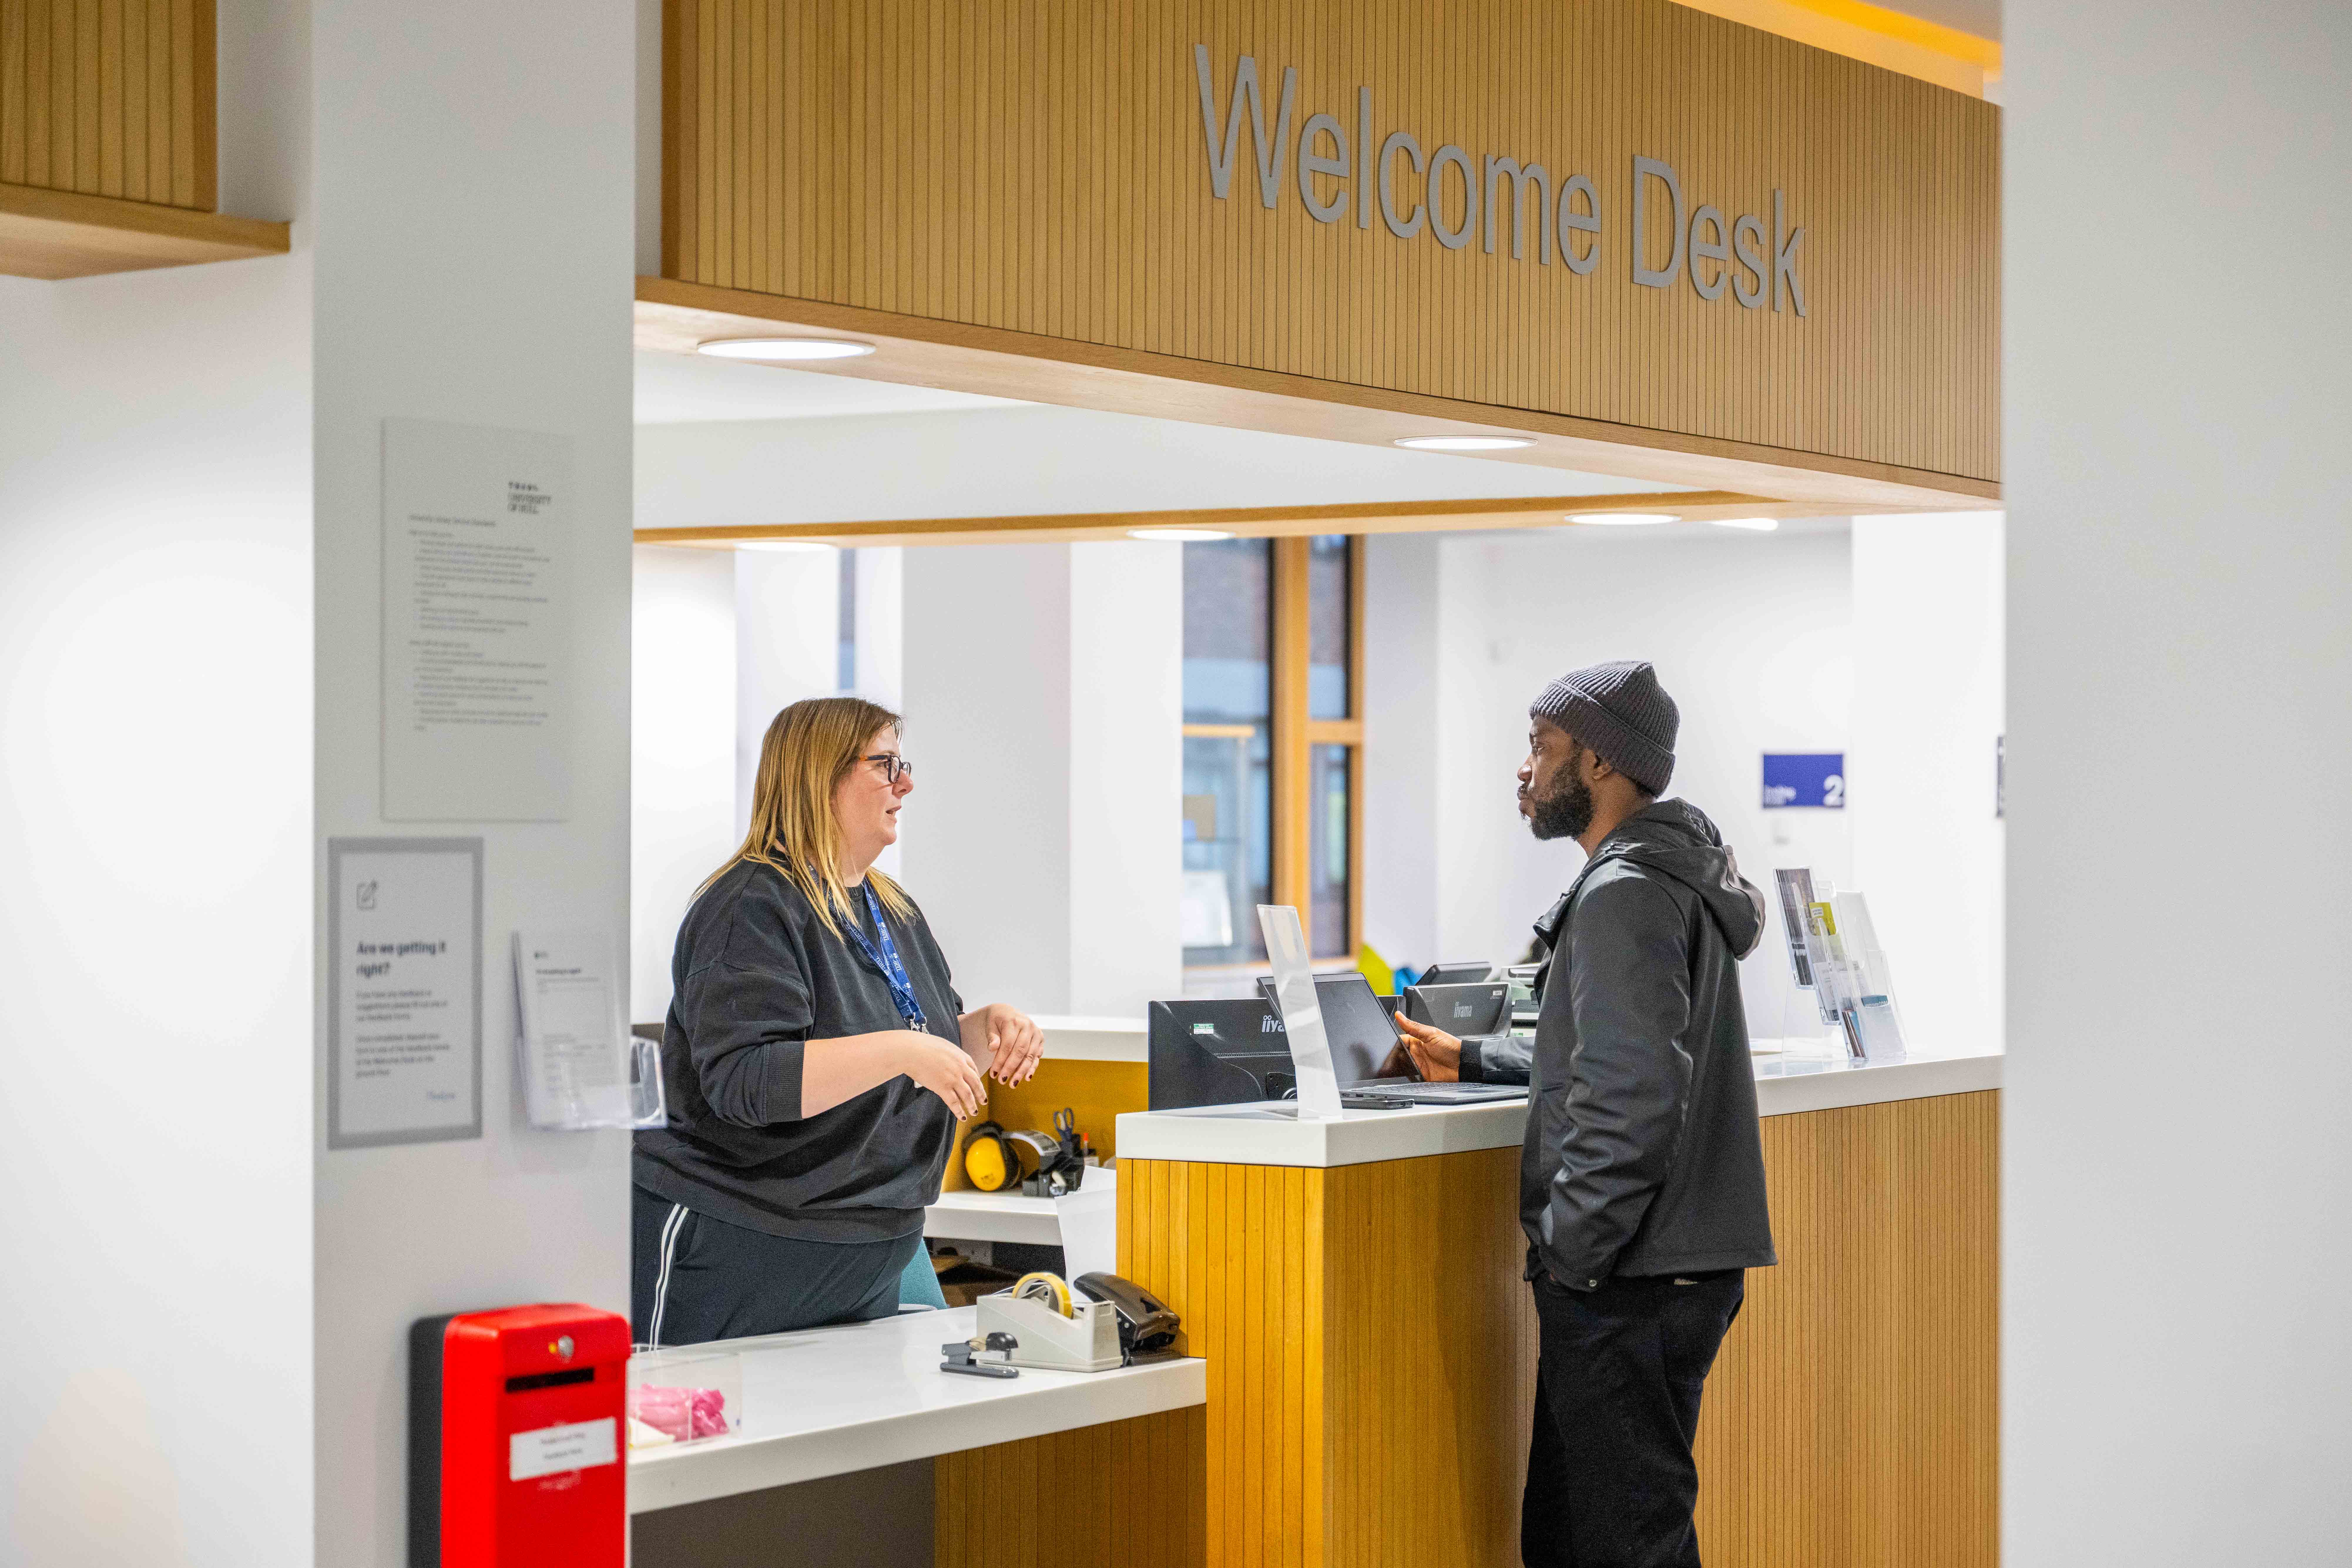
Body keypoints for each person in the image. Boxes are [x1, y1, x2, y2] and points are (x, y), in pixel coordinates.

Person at [1392, 661, 1776, 1568]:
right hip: (1664, 1267)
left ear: (1600, 763)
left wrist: (1572, 1256)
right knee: (1588, 1537)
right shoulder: (1667, 876)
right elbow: (1619, 1053)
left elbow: (1632, 1097)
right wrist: (1477, 1057)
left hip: (1625, 1275)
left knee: (1619, 1546)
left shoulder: (1621, 892)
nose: (1522, 770)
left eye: (1540, 746)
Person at [631, 696, 1044, 1346]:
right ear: (818, 777)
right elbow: (747, 1082)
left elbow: (911, 1044)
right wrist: (904, 1049)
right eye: (884, 765)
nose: (905, 783)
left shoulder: (892, 907)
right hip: (743, 1245)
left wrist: (984, 1030)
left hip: (867, 1245)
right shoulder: (750, 904)